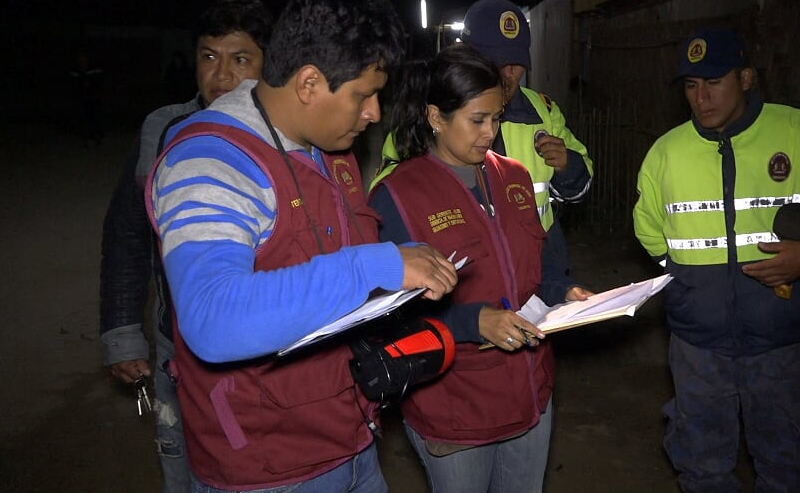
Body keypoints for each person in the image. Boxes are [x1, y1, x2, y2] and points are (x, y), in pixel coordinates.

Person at [145, 0, 458, 491]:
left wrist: (402, 276)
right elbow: (211, 316)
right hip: (269, 468)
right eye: (364, 96)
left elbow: (331, 265)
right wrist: (374, 268)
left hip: (351, 438)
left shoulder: (330, 149)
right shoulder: (211, 161)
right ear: (309, 84)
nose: (375, 114)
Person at [632, 28, 800, 493]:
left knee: (787, 465)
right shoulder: (665, 153)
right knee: (701, 466)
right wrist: (694, 291)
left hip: (779, 343)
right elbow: (653, 236)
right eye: (691, 86)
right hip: (697, 347)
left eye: (714, 82)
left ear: (747, 77)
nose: (702, 97)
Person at [369, 43, 593, 493]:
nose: (491, 132)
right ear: (435, 117)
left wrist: (564, 293)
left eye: (497, 117)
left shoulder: (514, 177)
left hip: (530, 389)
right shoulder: (397, 197)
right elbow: (388, 314)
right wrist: (474, 321)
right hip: (455, 404)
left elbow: (540, 270)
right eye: (478, 120)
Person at [99, 1, 273, 491]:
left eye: (241, 59)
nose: (221, 75)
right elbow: (128, 233)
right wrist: (123, 333)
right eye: (209, 56)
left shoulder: (292, 136)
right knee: (182, 465)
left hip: (267, 345)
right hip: (178, 347)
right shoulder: (164, 130)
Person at [376, 0, 592, 276]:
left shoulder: (543, 113)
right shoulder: (419, 126)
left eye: (517, 62)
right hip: (461, 274)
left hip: (538, 268)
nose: (508, 74)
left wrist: (566, 166)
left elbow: (580, 185)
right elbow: (393, 211)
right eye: (497, 61)